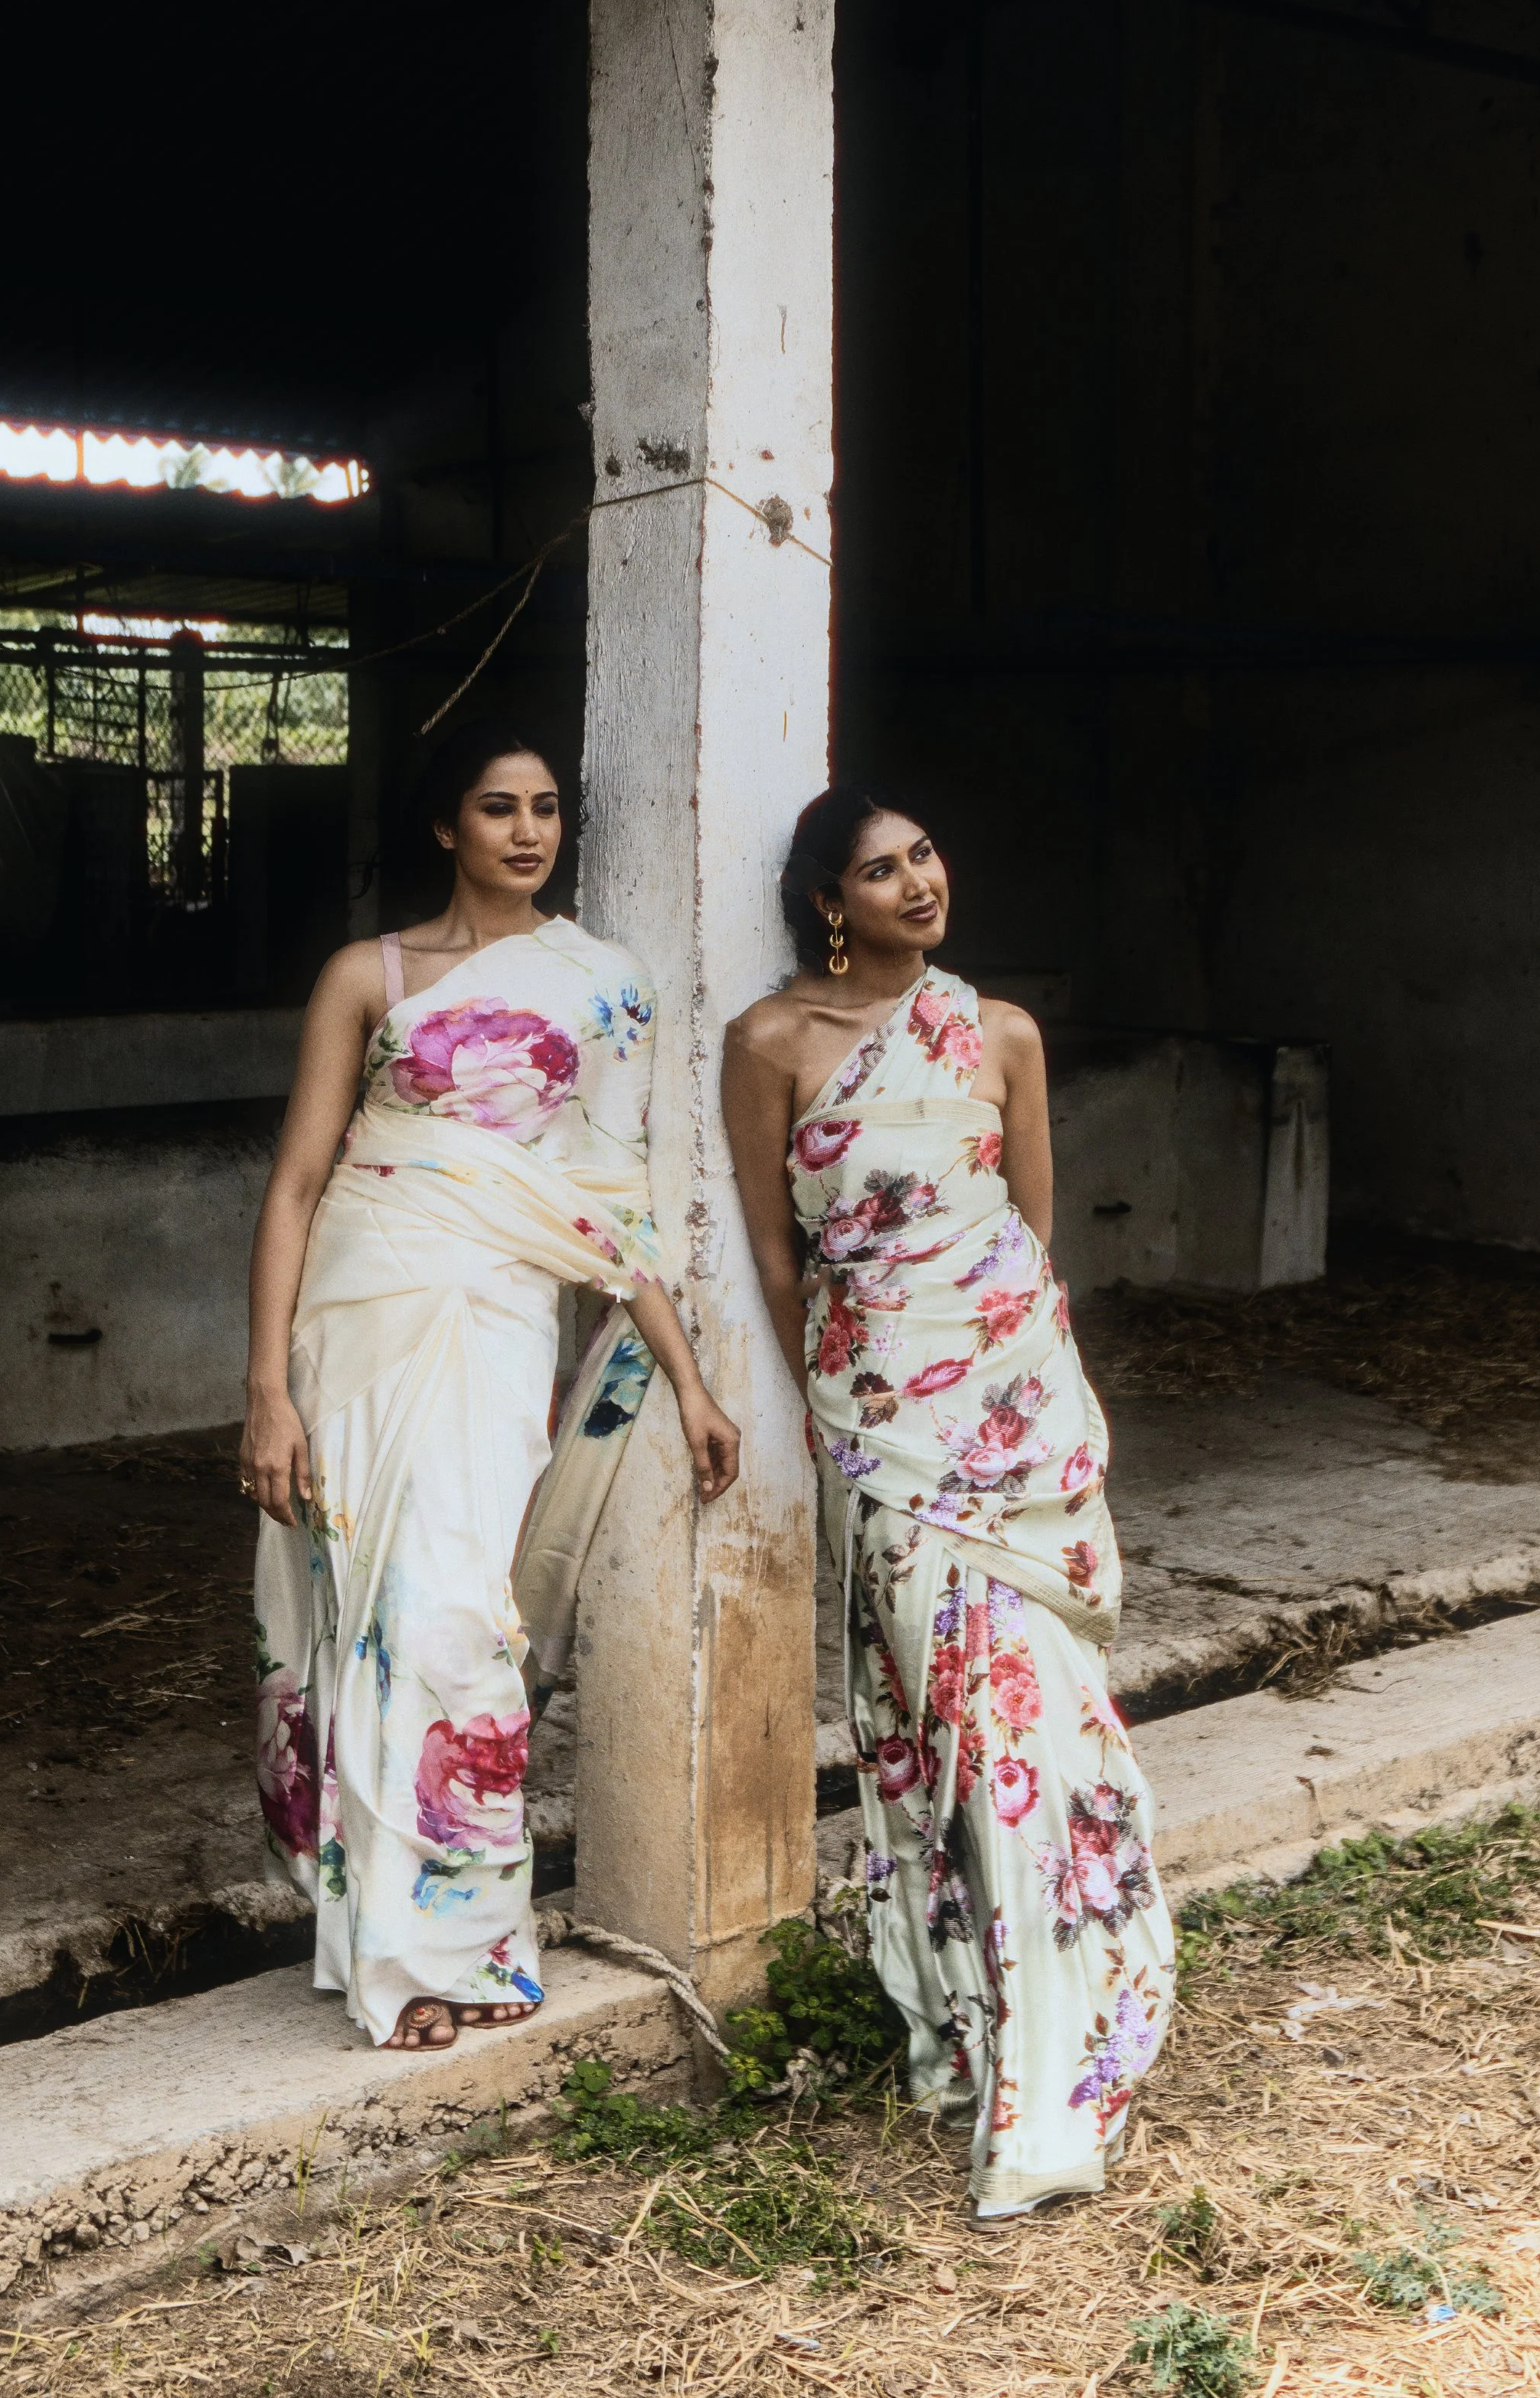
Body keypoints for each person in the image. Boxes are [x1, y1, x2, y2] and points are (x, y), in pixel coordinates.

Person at [243, 721, 740, 2053]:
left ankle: (458, 1935)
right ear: (444, 825)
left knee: (458, 1620)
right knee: (367, 1617)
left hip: (502, 1320)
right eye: (498, 807)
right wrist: (267, 1389)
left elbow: (614, 1205)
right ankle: (395, 1958)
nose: (529, 831)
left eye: (547, 808)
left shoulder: (602, 986)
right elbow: (296, 1182)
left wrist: (688, 1380)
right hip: (363, 1310)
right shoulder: (369, 973)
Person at [721, 786, 1173, 2219]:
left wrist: (1015, 1386)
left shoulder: (1002, 1033)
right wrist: (830, 1406)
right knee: (948, 1722)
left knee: (1031, 1719)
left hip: (1016, 1413)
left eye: (923, 855)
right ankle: (980, 2014)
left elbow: (1030, 1230)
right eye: (880, 869)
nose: (919, 881)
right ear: (828, 902)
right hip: (881, 1426)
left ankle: (1050, 2069)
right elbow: (778, 1259)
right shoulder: (771, 1043)